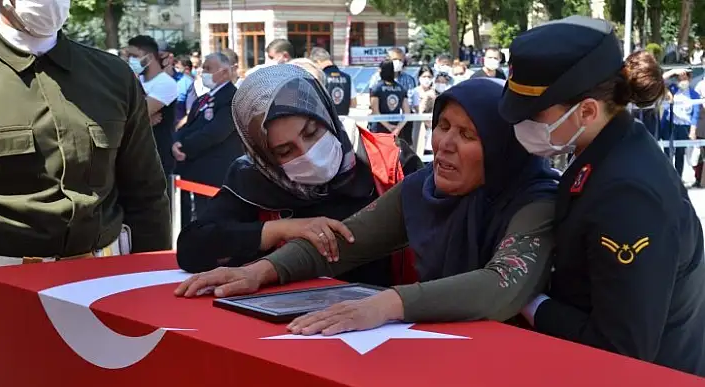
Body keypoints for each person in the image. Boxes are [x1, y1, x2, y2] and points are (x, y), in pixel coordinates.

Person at [175, 78, 559, 337]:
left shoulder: (536, 199)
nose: (444, 144)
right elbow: (347, 240)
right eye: (442, 125)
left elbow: (501, 285)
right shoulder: (422, 188)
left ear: (500, 144)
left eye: (467, 134)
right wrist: (263, 271)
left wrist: (387, 304)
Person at [499, 15, 705, 376]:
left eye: (533, 113)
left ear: (588, 111)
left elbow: (622, 346)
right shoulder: (607, 151)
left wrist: (530, 300)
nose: (522, 124)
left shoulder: (628, 195)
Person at [175, 64, 423, 287]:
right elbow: (193, 247)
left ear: (326, 115)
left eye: (312, 132)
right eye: (285, 151)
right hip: (286, 326)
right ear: (265, 157)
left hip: (385, 321)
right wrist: (281, 229)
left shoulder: (388, 161)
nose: (308, 154)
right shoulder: (255, 179)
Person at [0, 0, 171, 264]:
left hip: (101, 278)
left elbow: (146, 191)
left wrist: (152, 275)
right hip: (7, 283)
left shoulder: (113, 75)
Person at [172, 52, 242, 224]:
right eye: (203, 68)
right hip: (195, 170)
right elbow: (189, 125)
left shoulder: (232, 98)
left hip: (216, 172)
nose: (203, 72)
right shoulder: (204, 98)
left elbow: (215, 132)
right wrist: (176, 142)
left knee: (213, 221)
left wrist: (185, 147)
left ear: (225, 72)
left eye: (209, 69)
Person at [127, 35, 179, 182]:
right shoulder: (136, 80)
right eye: (129, 55)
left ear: (149, 57)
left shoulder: (165, 83)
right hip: (135, 153)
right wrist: (143, 118)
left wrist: (140, 116)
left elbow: (136, 113)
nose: (130, 60)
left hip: (157, 155)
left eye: (134, 56)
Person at [661, 68, 701, 180]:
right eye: (680, 78)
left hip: (684, 127)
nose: (682, 80)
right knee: (668, 153)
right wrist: (673, 71)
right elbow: (659, 82)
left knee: (680, 154)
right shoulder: (672, 89)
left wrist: (693, 131)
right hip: (670, 125)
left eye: (685, 77)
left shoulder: (694, 94)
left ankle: (678, 179)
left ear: (689, 78)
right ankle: (667, 179)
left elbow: (695, 114)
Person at [309, 47, 356, 116]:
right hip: (343, 122)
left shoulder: (319, 77)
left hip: (325, 122)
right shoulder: (347, 77)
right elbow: (354, 103)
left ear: (318, 62)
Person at [369, 59, 411, 137]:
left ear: (381, 70)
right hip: (396, 129)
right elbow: (407, 112)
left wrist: (388, 126)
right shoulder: (401, 88)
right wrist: (398, 128)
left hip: (379, 129)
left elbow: (375, 111)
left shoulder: (376, 88)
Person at [410, 65, 438, 154]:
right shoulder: (414, 92)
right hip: (418, 126)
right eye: (424, 76)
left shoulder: (435, 92)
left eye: (429, 77)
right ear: (419, 78)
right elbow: (415, 109)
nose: (426, 79)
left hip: (433, 127)